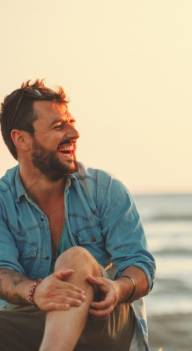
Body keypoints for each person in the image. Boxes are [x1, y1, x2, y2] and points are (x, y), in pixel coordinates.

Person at [0, 80, 156, 351]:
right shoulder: (2, 201)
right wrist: (36, 291)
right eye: (59, 126)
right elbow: (3, 272)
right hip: (31, 321)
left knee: (75, 260)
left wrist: (119, 288)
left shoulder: (104, 190)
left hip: (103, 322)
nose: (74, 133)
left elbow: (139, 265)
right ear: (21, 139)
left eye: (70, 122)